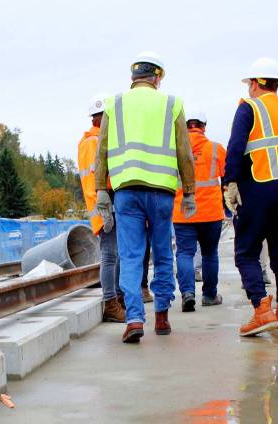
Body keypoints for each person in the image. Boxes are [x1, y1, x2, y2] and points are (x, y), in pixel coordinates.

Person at [94, 51, 197, 343]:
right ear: (157, 77)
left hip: (126, 193)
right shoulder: (171, 103)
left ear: (133, 78)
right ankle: (162, 316)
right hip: (162, 193)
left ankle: (135, 319)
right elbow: (184, 152)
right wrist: (189, 191)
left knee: (130, 256)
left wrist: (102, 189)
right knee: (163, 252)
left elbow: (102, 151)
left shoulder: (114, 104)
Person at [223, 57, 278, 337]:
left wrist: (230, 184)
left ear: (254, 83)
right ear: (276, 84)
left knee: (246, 252)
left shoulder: (249, 108)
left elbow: (235, 148)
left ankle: (261, 310)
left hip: (259, 189)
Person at [77, 93, 126, 323]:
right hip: (103, 204)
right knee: (109, 255)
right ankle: (110, 302)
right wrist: (103, 204)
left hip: (105, 202)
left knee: (115, 255)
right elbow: (93, 180)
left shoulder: (95, 140)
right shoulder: (93, 143)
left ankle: (117, 297)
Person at [172, 110, 226, 310]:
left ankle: (187, 294)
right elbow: (228, 176)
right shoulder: (215, 149)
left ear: (186, 127)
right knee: (210, 254)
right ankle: (210, 295)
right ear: (203, 127)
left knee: (185, 253)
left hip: (183, 212)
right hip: (211, 213)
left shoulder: (174, 150)